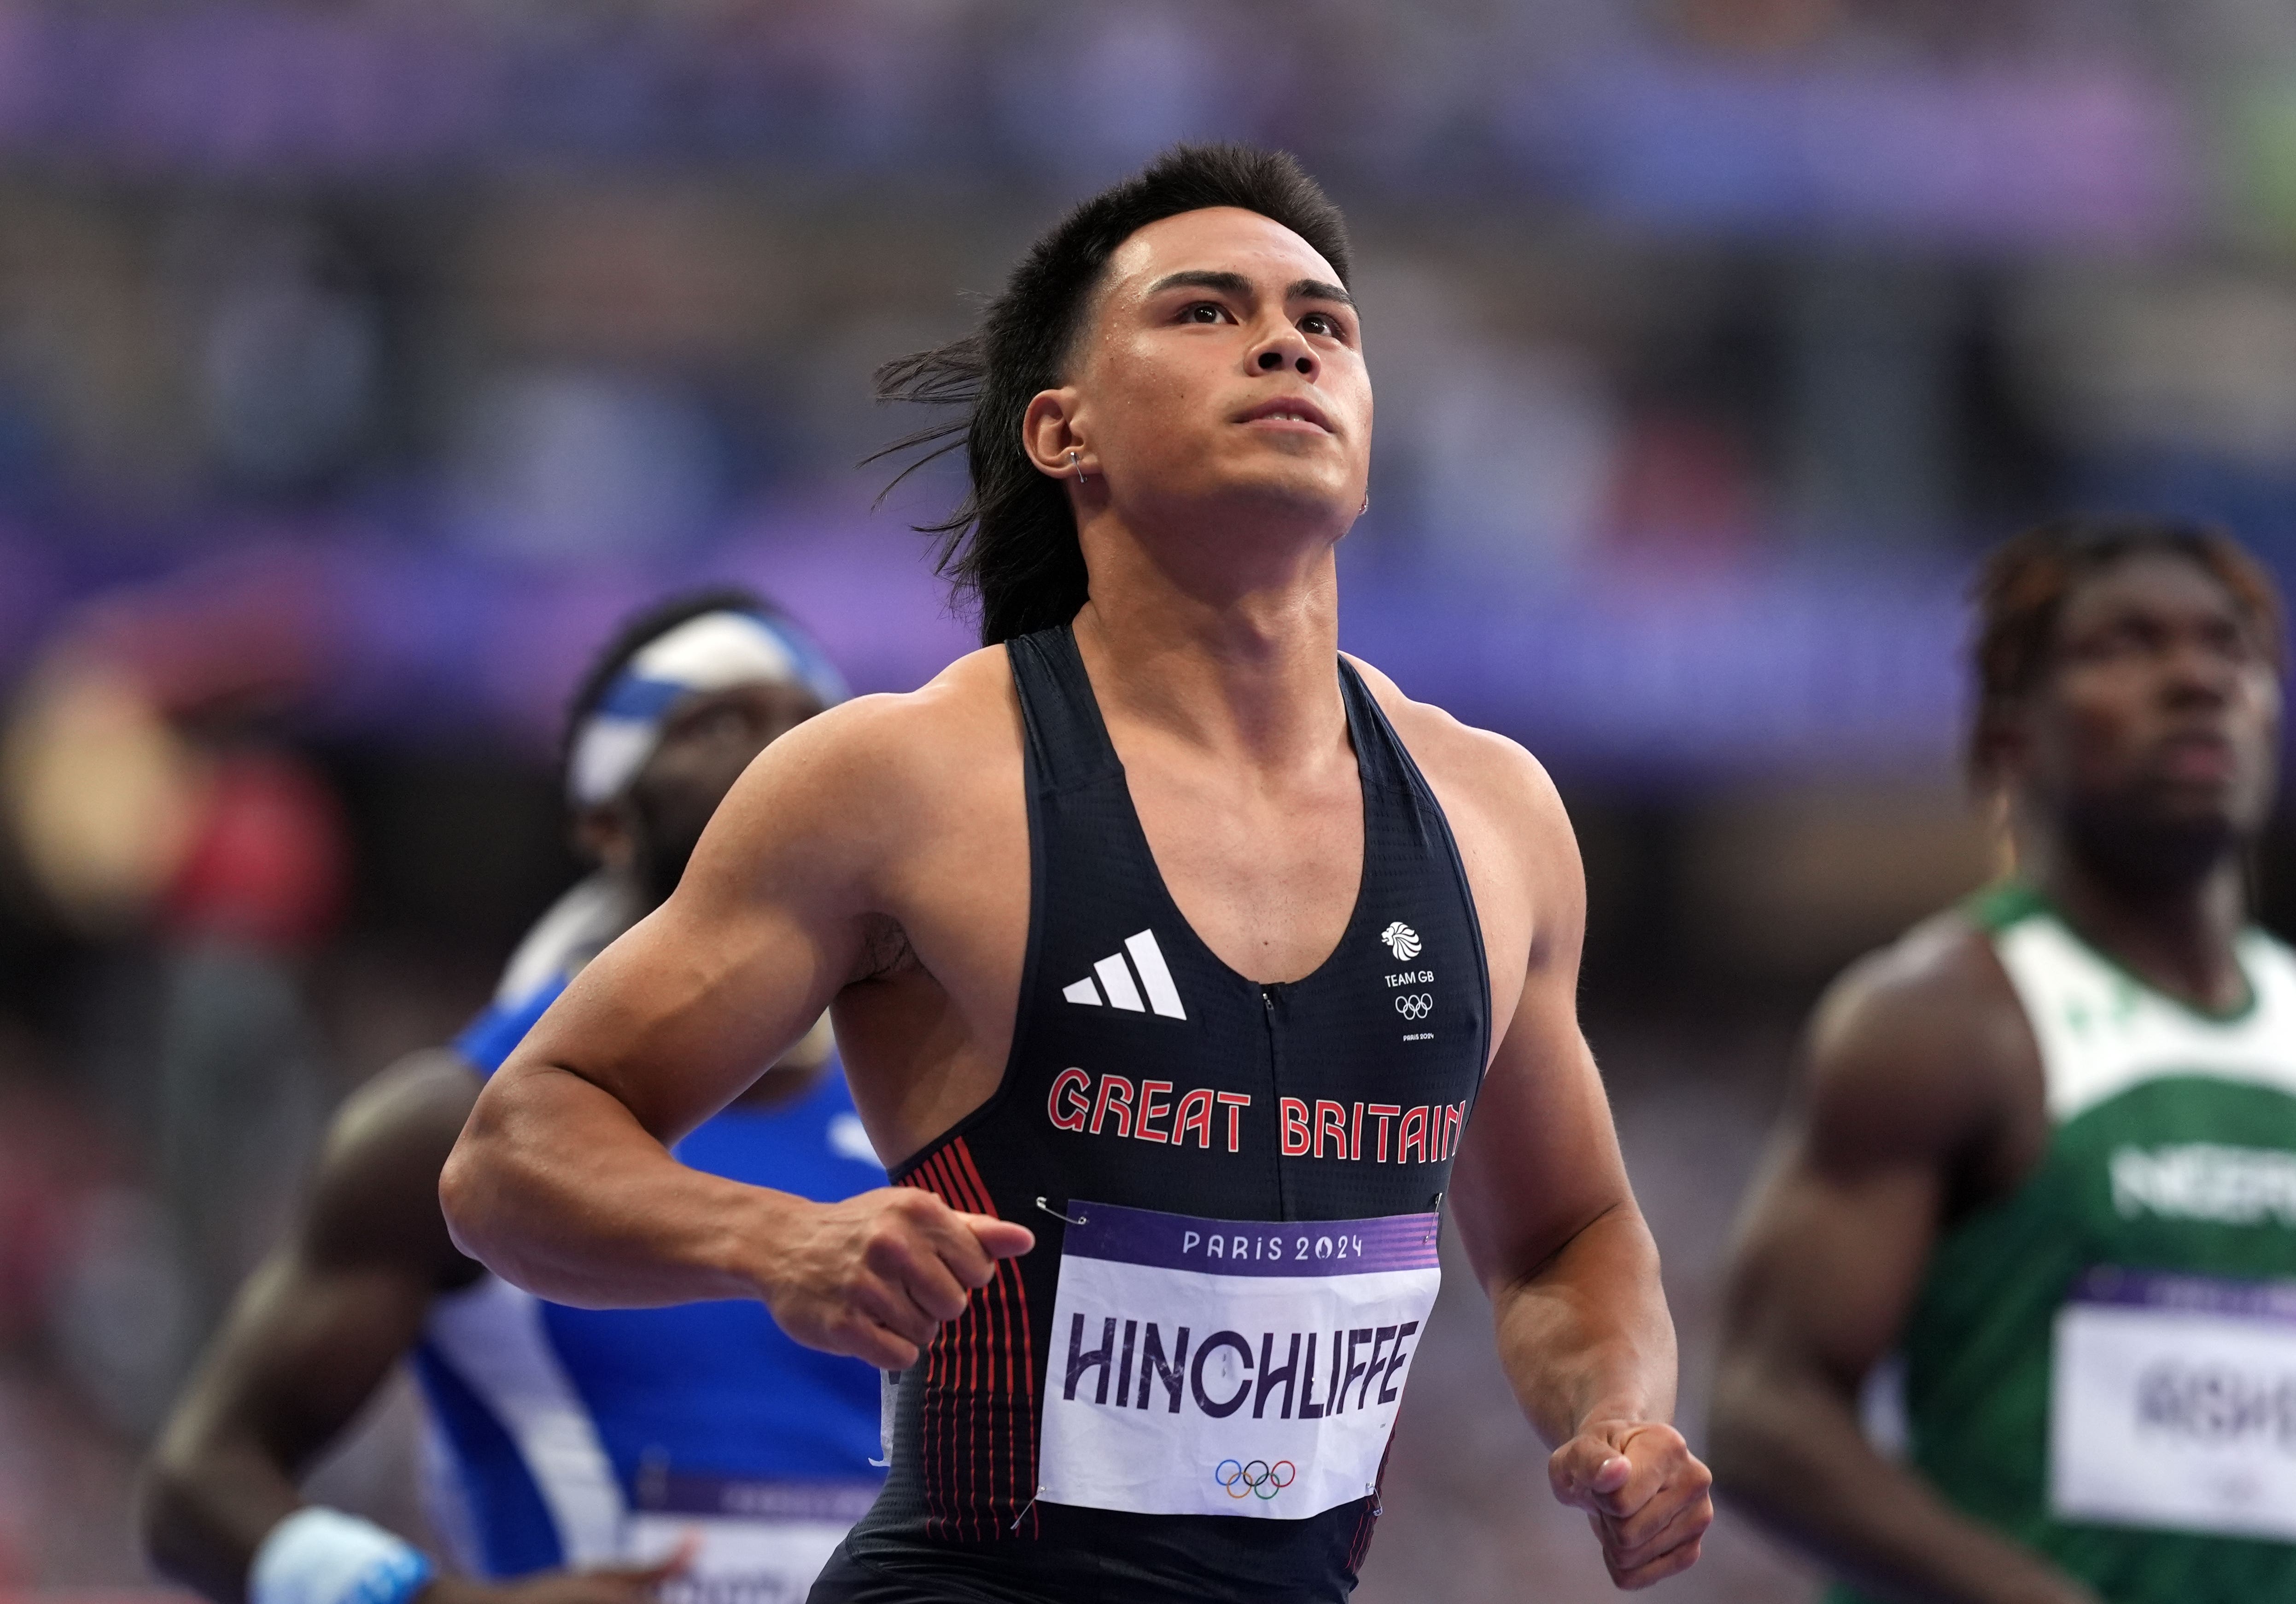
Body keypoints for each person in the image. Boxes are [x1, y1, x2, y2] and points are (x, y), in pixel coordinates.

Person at [439, 144, 1713, 1603]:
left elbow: (1568, 1233)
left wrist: (1615, 1411)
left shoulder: (1495, 815)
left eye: (1326, 320)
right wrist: (774, 1238)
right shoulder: (907, 782)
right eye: (1206, 311)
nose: (1288, 338)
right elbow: (512, 1152)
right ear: (1066, 431)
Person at [143, 589, 890, 1604]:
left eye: (810, 727)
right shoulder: (450, 1123)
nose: (779, 758)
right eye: (718, 722)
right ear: (604, 817)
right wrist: (429, 1603)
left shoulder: (919, 1111)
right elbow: (197, 1486)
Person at [1709, 518, 2296, 1603]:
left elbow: (2279, 1475)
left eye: (2228, 649)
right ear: (2007, 738)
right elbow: (1762, 1412)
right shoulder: (1938, 1022)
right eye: (2122, 646)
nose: (2193, 677)